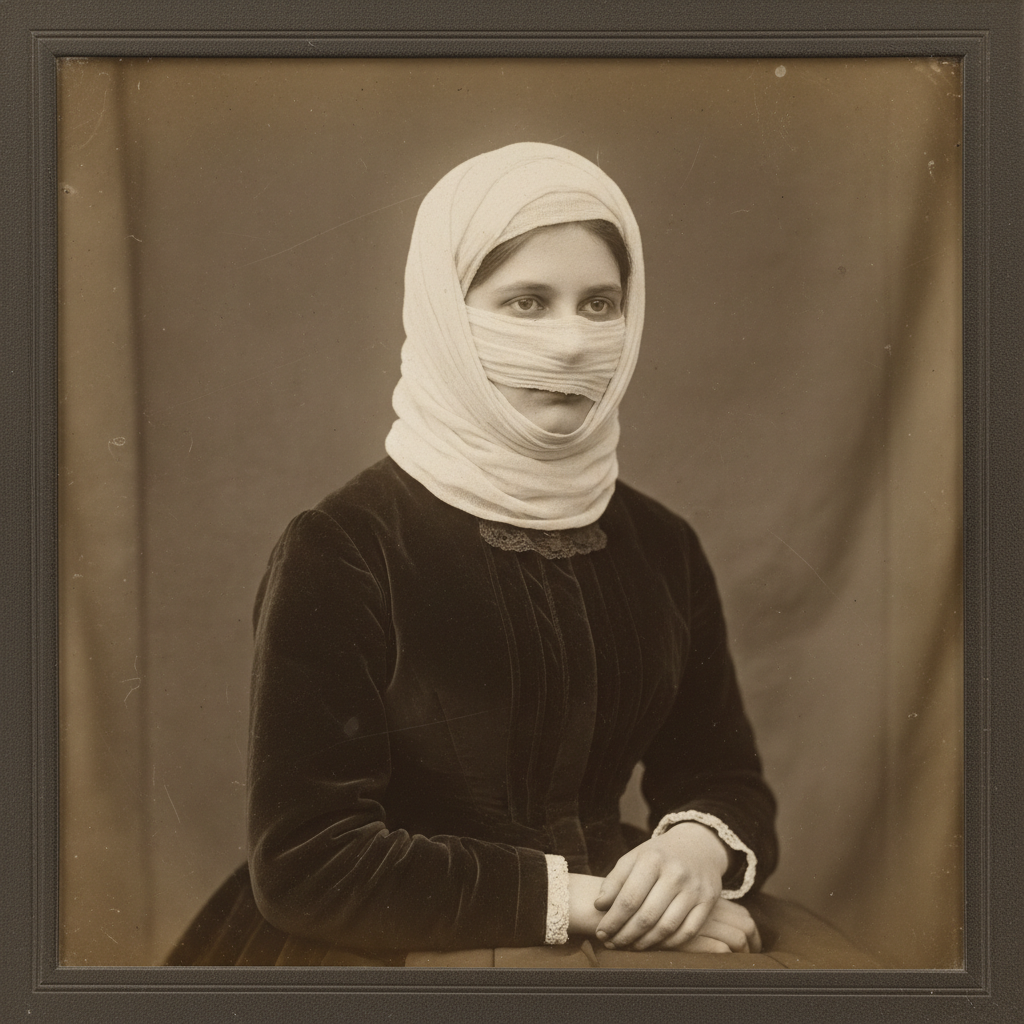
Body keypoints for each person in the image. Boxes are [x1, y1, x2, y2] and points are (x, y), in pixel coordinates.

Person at [166, 142, 779, 968]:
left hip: (628, 914)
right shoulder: (343, 547)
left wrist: (695, 855)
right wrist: (597, 904)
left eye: (599, 305)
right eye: (527, 303)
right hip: (383, 944)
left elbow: (724, 775)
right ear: (448, 314)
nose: (569, 345)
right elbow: (307, 859)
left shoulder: (662, 545)